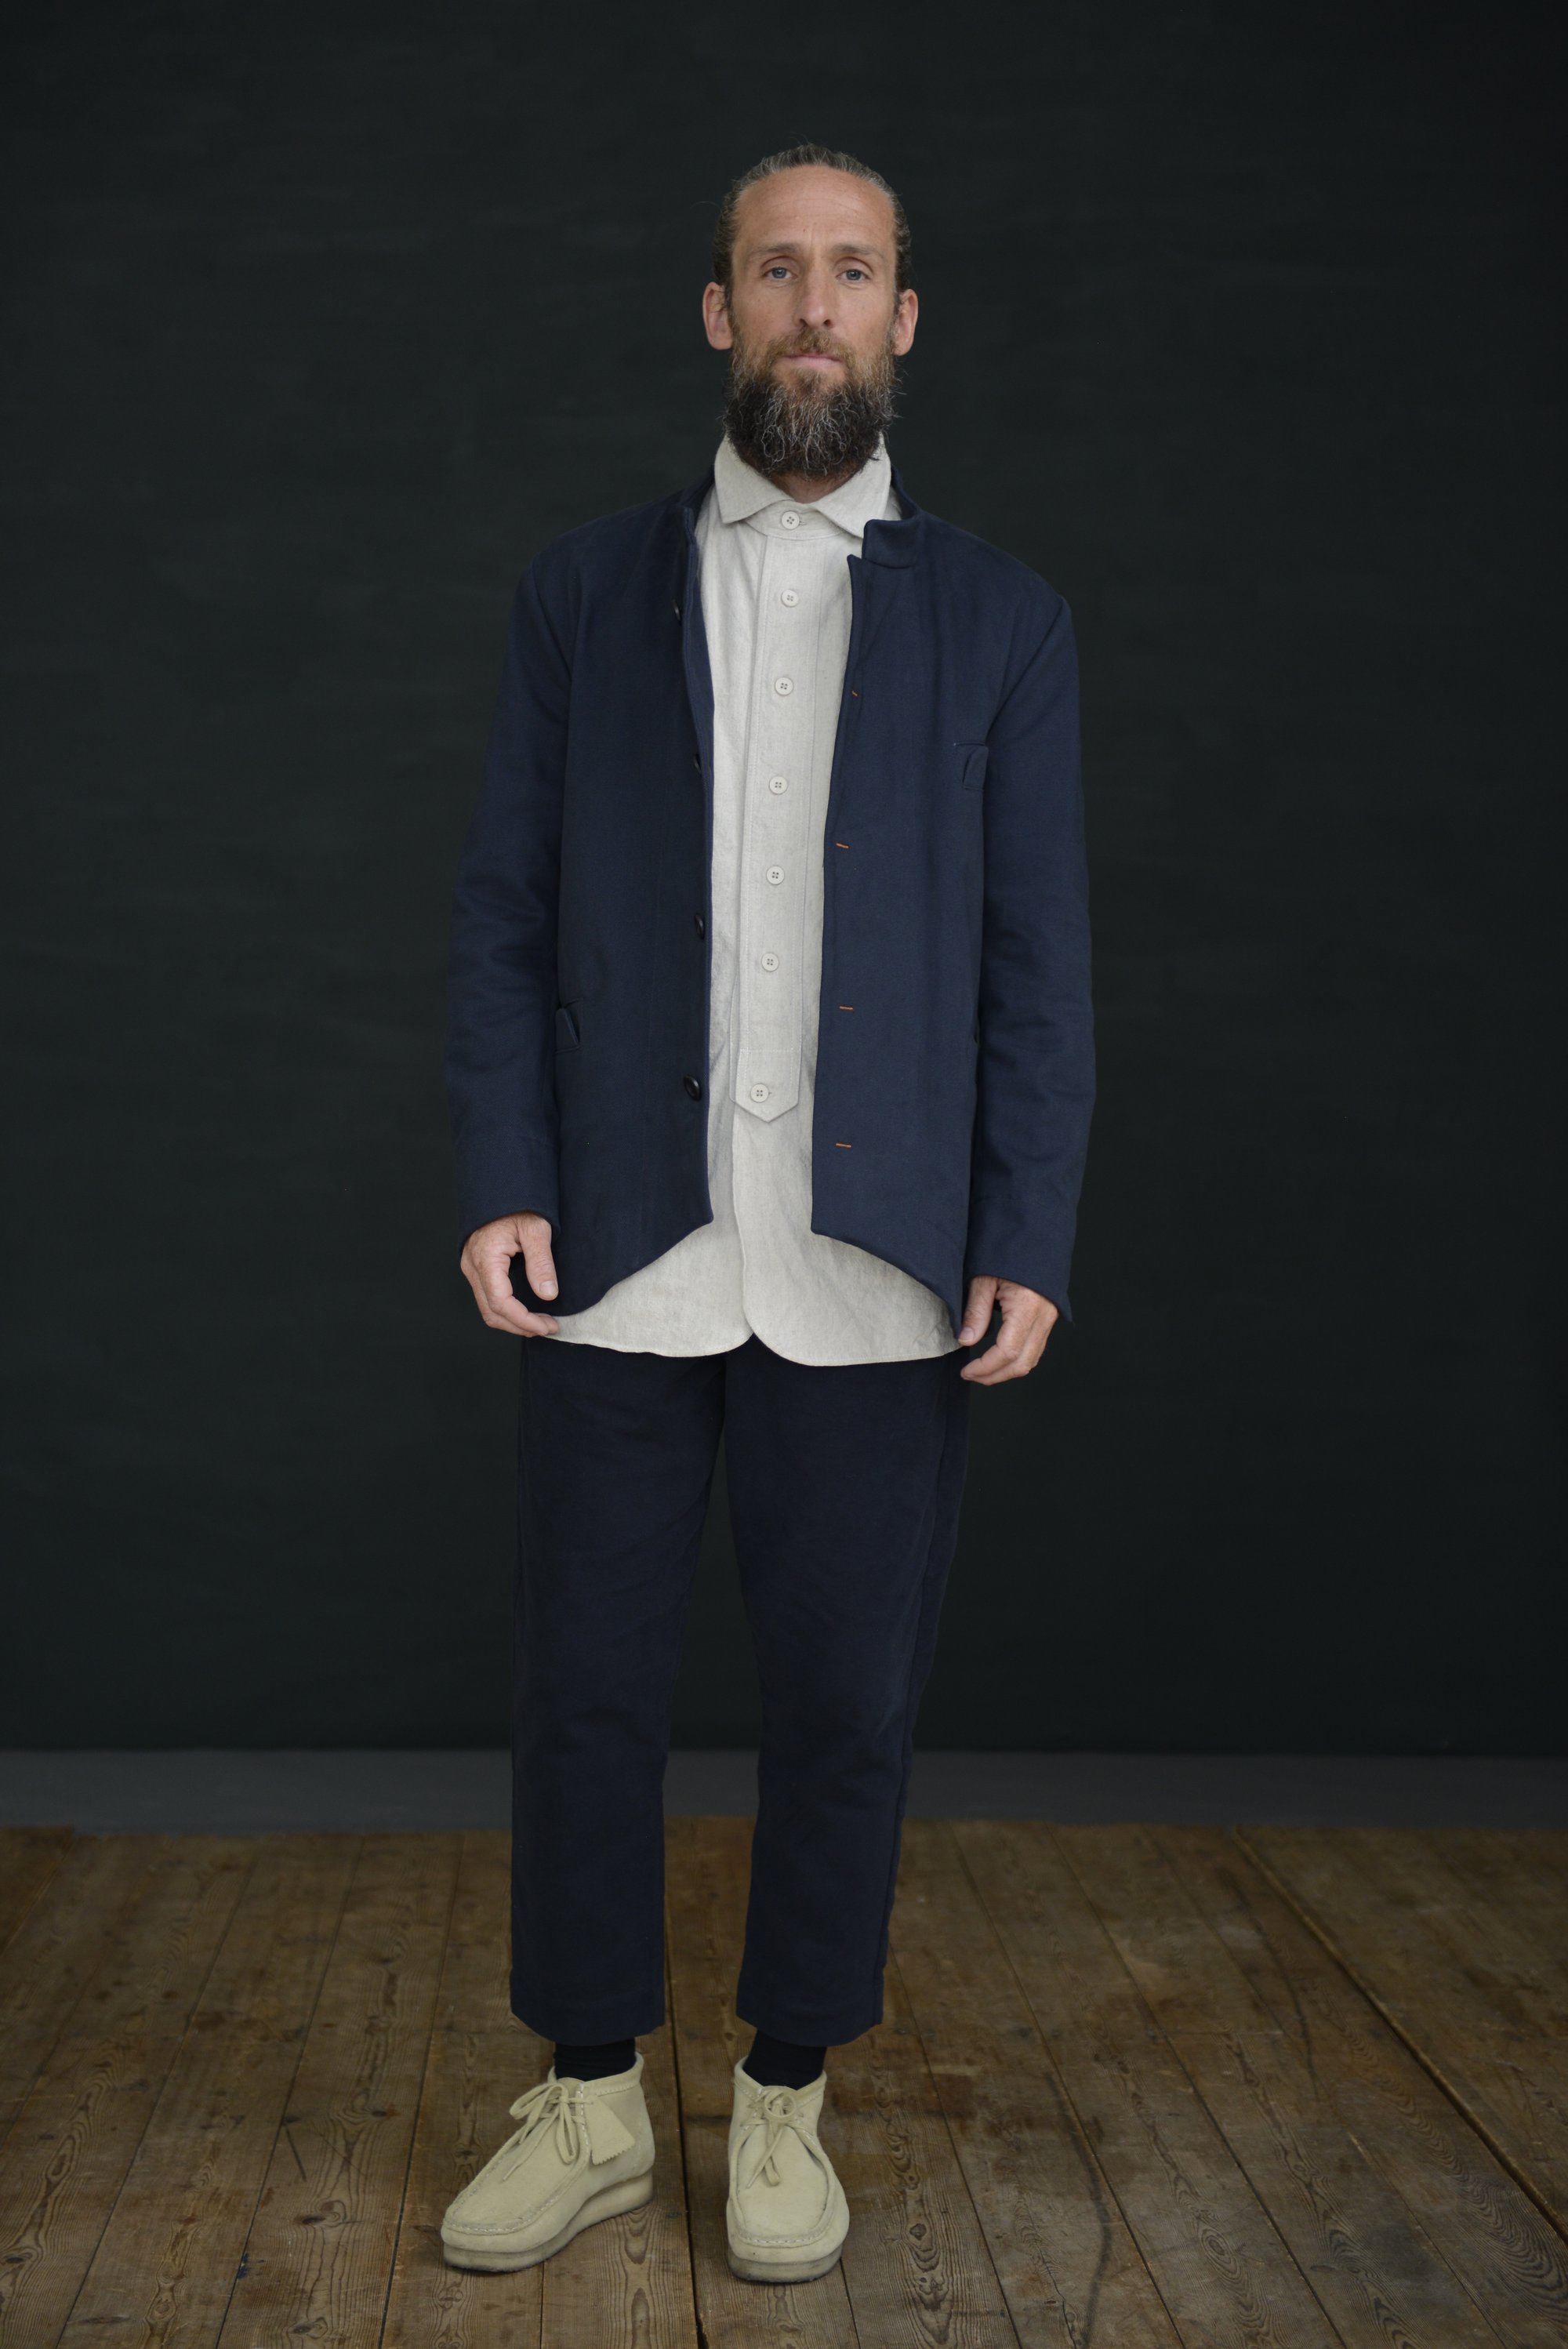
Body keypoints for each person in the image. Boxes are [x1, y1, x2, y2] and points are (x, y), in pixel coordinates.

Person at [438, 141, 1094, 2283]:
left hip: (880, 1264)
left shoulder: (1004, 619)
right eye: (779, 269)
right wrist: (504, 1172)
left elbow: (1039, 962)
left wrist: (1027, 1220)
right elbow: (505, 915)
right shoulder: (581, 595)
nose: (817, 306)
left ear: (904, 320)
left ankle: (790, 2093)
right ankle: (591, 2097)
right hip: (623, 1245)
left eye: (855, 270)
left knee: (845, 1706)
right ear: (720, 313)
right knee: (583, 1698)